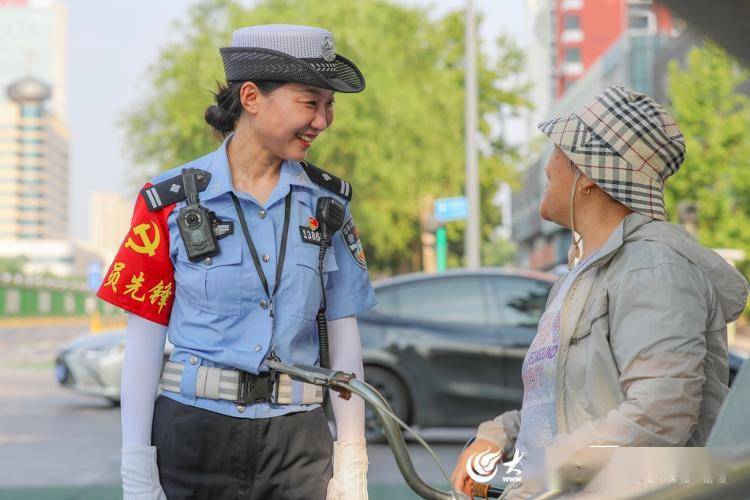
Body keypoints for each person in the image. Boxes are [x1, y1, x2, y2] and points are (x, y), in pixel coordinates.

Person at [97, 24, 377, 500]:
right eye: (310, 103)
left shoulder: (329, 204)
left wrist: (352, 461)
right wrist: (136, 466)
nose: (324, 121)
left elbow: (344, 328)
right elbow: (144, 338)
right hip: (193, 436)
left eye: (330, 106)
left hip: (298, 443)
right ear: (251, 97)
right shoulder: (166, 201)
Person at [451, 86, 748, 497]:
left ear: (588, 175)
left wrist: (544, 469)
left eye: (558, 152)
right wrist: (496, 437)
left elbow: (661, 414)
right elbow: (562, 406)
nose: (549, 167)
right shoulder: (582, 274)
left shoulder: (653, 268)